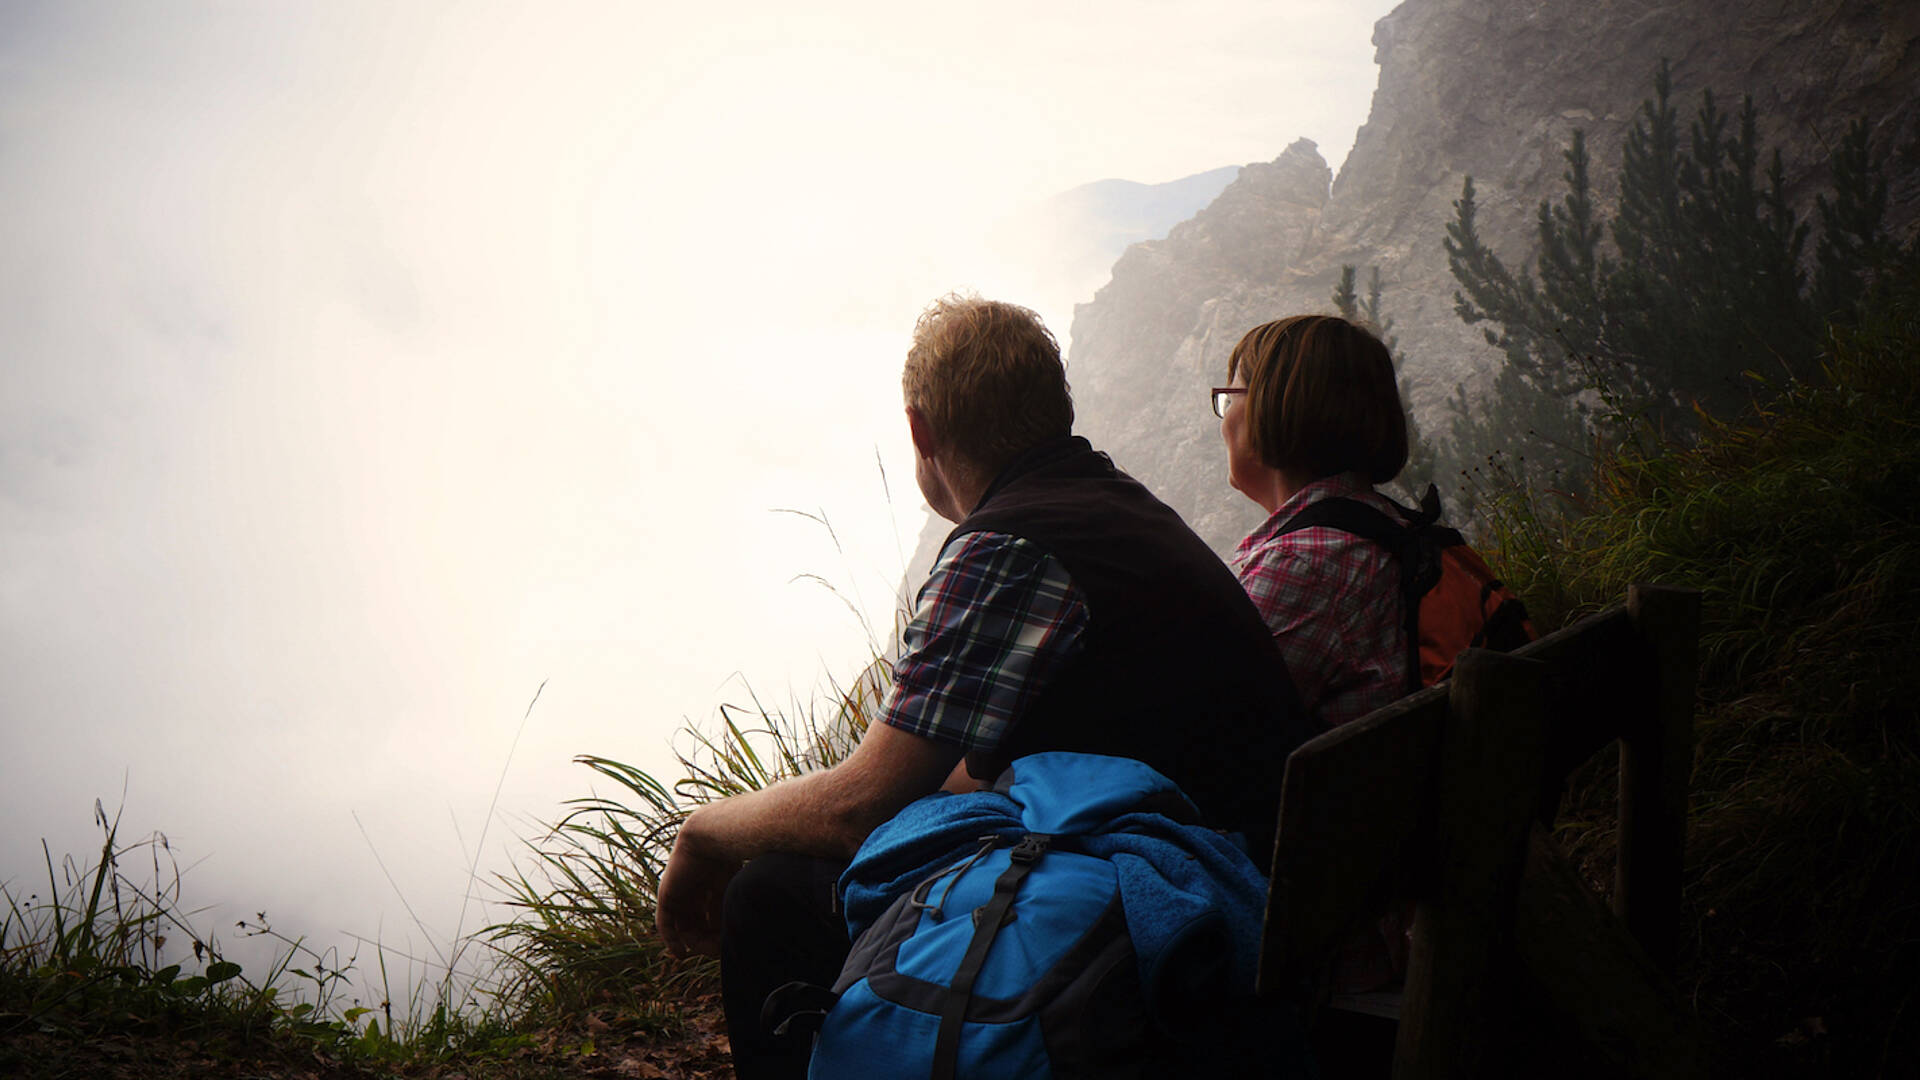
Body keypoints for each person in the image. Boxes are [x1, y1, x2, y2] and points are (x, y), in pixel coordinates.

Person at [658, 294, 1307, 1080]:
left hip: (1180, 918)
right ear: (1054, 408)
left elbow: (861, 807)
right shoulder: (1114, 507)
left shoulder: (1010, 545)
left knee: (770, 899)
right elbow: (973, 770)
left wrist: (701, 830)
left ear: (920, 433)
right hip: (1243, 883)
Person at [1213, 313, 1413, 731]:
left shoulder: (1301, 563)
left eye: (1230, 399)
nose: (1224, 422)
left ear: (1272, 406)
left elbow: (1203, 721)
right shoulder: (1382, 526)